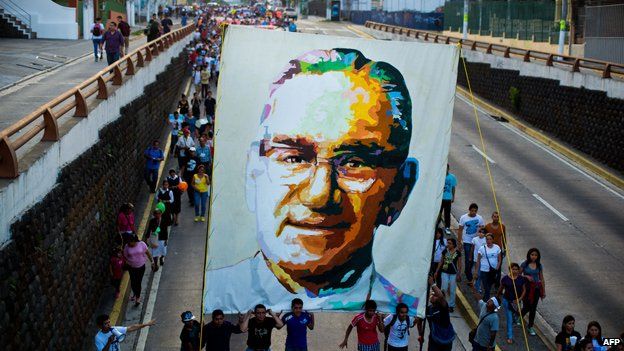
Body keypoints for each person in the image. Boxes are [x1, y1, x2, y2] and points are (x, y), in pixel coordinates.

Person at [206, 48, 420, 311]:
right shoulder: (213, 294)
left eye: (355, 163)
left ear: (399, 192)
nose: (319, 195)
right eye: (294, 158)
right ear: (253, 173)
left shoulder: (407, 309)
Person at [416, 276, 455, 351]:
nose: (432, 296)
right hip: (434, 340)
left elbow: (440, 296)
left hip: (446, 341)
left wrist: (432, 284)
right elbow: (419, 321)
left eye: (435, 295)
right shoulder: (427, 310)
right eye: (432, 294)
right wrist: (420, 335)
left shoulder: (443, 307)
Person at [496, 262, 526, 344]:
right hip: (507, 301)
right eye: (513, 269)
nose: (515, 271)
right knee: (509, 318)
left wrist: (519, 299)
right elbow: (500, 288)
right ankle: (510, 336)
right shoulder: (505, 279)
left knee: (515, 317)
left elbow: (524, 290)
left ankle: (514, 321)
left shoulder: (521, 279)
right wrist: (497, 296)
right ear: (510, 269)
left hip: (517, 302)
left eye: (516, 269)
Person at [520, 248, 545, 336]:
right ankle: (519, 316)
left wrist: (543, 291)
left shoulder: (539, 265)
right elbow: (518, 275)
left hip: (536, 289)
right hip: (526, 289)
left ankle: (530, 326)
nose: (534, 256)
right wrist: (526, 276)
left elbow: (541, 278)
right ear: (529, 255)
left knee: (533, 309)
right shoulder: (524, 264)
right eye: (532, 254)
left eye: (535, 255)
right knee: (527, 307)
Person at [123, 234, 154, 305]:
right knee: (133, 282)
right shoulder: (126, 247)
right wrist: (128, 262)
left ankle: (138, 297)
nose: (131, 243)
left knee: (138, 282)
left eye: (132, 242)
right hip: (131, 268)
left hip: (141, 267)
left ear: (135, 241)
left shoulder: (142, 244)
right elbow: (125, 256)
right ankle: (135, 293)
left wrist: (152, 262)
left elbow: (147, 253)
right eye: (130, 242)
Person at [457, 203, 484, 283]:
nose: (473, 212)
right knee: (468, 257)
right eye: (472, 211)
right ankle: (468, 274)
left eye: (475, 211)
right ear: (469, 210)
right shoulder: (463, 217)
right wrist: (459, 241)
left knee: (474, 258)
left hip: (476, 241)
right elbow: (460, 230)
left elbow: (482, 229)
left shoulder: (480, 218)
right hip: (467, 241)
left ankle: (468, 271)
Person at [435, 238, 461, 312]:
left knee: (452, 289)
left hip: (454, 273)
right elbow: (441, 261)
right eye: (447, 243)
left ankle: (451, 305)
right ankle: (443, 303)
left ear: (453, 244)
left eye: (450, 243)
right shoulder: (445, 251)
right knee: (444, 288)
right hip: (444, 271)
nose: (448, 245)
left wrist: (459, 274)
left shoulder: (458, 252)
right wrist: (437, 271)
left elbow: (460, 264)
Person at [474, 234, 501, 301]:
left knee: (489, 286)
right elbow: (478, 261)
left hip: (493, 271)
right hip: (484, 270)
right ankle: (486, 300)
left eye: (490, 239)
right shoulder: (482, 248)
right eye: (487, 239)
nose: (488, 241)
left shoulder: (497, 247)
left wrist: (497, 268)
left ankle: (485, 300)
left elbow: (499, 260)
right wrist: (476, 271)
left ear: (493, 240)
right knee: (486, 286)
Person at [484, 211, 506, 289]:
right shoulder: (487, 226)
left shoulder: (502, 226)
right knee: (489, 266)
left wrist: (505, 249)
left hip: (498, 250)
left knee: (498, 268)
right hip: (489, 250)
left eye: (497, 217)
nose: (496, 218)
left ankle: (497, 285)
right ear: (492, 217)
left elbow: (504, 238)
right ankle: (488, 282)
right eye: (494, 216)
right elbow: (484, 237)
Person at [437, 164, 456, 231]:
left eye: (446, 168)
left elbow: (453, 187)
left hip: (448, 198)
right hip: (439, 198)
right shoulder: (439, 175)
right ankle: (436, 225)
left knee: (447, 213)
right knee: (438, 212)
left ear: (448, 168)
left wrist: (453, 197)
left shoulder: (452, 177)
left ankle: (447, 227)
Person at [471, 228, 487, 294]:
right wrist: (470, 256)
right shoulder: (474, 239)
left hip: (483, 260)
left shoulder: (486, 240)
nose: (481, 233)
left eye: (483, 232)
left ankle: (477, 287)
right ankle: (476, 286)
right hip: (475, 258)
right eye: (480, 232)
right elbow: (472, 248)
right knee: (476, 273)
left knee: (479, 274)